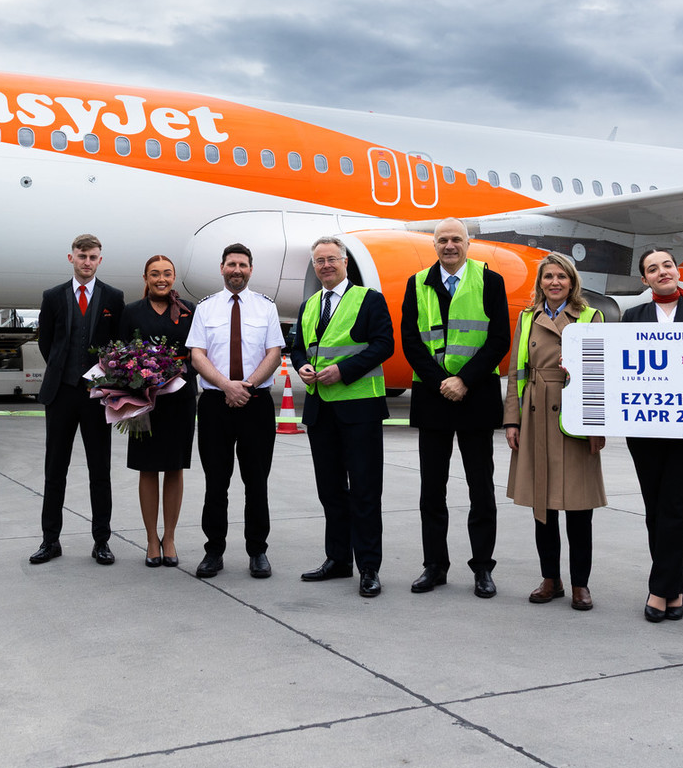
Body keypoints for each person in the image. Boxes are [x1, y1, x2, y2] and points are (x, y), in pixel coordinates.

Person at [399, 217, 510, 598]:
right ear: (434, 245)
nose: (450, 245)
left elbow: (499, 339)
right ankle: (435, 566)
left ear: (468, 243)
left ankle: (483, 568)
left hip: (476, 396)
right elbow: (411, 341)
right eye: (443, 239)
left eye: (456, 239)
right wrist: (440, 382)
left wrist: (463, 380)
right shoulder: (416, 283)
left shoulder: (490, 281)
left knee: (481, 489)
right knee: (432, 490)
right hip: (433, 398)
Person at [285, 236, 395, 598]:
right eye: (319, 261)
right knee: (330, 490)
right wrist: (301, 365)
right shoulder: (309, 304)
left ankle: (368, 567)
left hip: (359, 408)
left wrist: (343, 371)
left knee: (364, 491)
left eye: (332, 259)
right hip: (321, 409)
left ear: (345, 262)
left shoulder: (369, 299)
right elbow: (297, 346)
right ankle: (338, 559)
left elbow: (384, 344)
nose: (326, 266)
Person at [503, 252, 607, 609]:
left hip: (575, 416)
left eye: (561, 276)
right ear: (540, 283)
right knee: (542, 506)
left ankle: (580, 584)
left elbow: (600, 374)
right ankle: (550, 579)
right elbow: (516, 371)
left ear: (572, 281)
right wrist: (512, 420)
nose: (555, 282)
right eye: (548, 276)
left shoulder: (591, 316)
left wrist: (597, 425)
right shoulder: (527, 317)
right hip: (536, 415)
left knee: (579, 507)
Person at [621, 248, 683, 622]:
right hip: (645, 427)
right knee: (655, 509)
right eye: (653, 269)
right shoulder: (632, 317)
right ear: (644, 279)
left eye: (667, 265)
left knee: (678, 507)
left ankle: (659, 591)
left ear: (677, 271)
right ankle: (674, 589)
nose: (662, 272)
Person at [187, 243, 285, 580]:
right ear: (222, 268)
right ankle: (213, 551)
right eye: (231, 264)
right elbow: (197, 355)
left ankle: (258, 551)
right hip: (215, 405)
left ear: (251, 270)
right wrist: (226, 386)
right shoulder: (206, 308)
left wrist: (246, 386)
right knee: (216, 483)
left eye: (243, 265)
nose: (237, 270)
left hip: (256, 404)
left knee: (256, 482)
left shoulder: (266, 307)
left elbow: (274, 353)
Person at [30, 235, 125, 567]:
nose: (87, 262)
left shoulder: (113, 297)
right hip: (61, 394)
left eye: (93, 257)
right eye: (82, 256)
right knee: (55, 470)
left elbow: (117, 343)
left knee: (100, 470)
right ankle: (50, 540)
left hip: (97, 396)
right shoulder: (53, 296)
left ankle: (102, 541)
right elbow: (46, 341)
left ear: (100, 260)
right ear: (71, 257)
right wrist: (62, 369)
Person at [119, 254, 196, 568]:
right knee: (147, 467)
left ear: (173, 277)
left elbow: (198, 352)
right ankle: (152, 539)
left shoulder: (189, 311)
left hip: (180, 398)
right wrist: (136, 377)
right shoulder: (131, 312)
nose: (161, 279)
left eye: (166, 273)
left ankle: (170, 537)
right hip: (143, 400)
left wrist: (179, 370)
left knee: (175, 468)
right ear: (145, 278)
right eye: (154, 274)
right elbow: (120, 353)